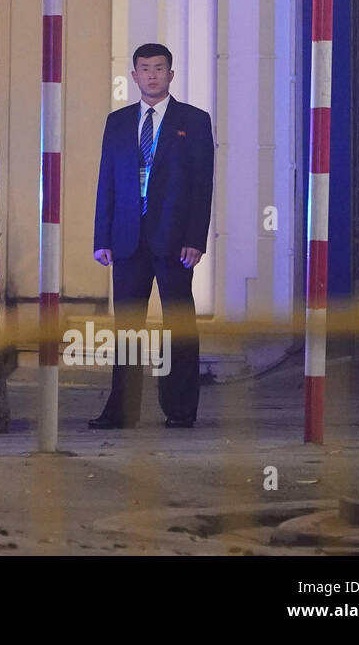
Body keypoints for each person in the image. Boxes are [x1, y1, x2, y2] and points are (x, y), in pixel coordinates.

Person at [90, 43, 214, 429]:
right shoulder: (118, 121)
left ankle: (180, 410)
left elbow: (202, 184)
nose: (152, 75)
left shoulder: (193, 120)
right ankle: (122, 410)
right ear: (134, 75)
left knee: (179, 323)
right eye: (144, 69)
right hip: (127, 239)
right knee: (126, 327)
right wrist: (102, 237)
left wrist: (196, 238)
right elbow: (106, 181)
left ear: (171, 74)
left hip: (175, 240)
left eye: (159, 68)